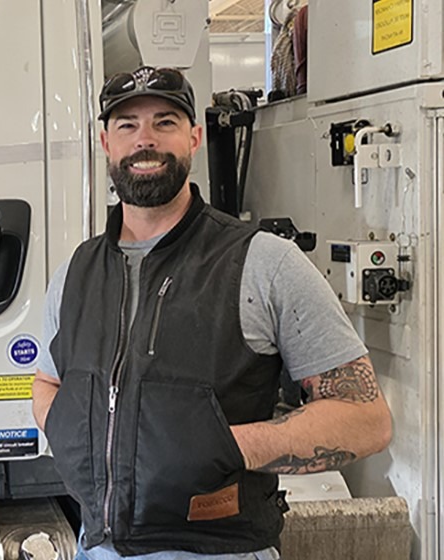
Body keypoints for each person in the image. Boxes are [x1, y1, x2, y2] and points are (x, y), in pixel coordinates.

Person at [31, 66, 392, 559]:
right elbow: (48, 382)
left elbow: (366, 420)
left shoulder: (263, 262)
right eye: (127, 126)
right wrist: (74, 440)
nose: (145, 140)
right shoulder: (77, 272)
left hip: (219, 549)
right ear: (105, 142)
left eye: (165, 123)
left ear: (194, 137)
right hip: (96, 547)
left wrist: (225, 446)